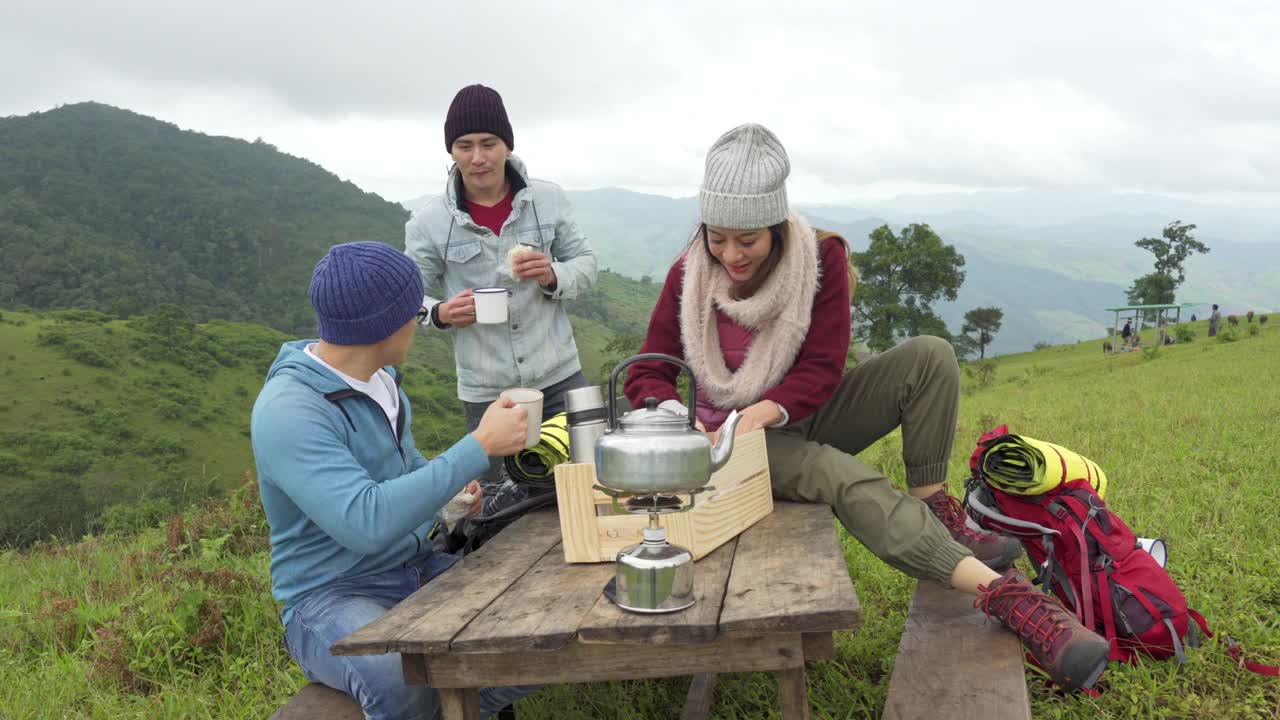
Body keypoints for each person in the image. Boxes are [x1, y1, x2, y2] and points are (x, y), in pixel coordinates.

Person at [624, 124, 1111, 692]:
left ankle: (936, 510)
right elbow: (649, 368)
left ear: (778, 225)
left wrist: (768, 409)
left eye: (747, 240)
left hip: (786, 415)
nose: (730, 254)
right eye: (718, 237)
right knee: (839, 474)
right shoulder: (689, 273)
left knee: (930, 357)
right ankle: (1011, 601)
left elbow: (821, 370)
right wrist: (673, 424)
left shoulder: (819, 261)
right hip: (722, 447)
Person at [251, 241, 537, 719]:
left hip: (413, 566)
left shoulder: (380, 380)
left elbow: (403, 472)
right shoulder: (289, 411)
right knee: (397, 674)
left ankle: (452, 708)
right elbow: (365, 522)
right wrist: (478, 447)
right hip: (329, 594)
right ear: (384, 324)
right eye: (412, 309)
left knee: (529, 630)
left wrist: (446, 493)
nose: (417, 319)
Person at [406, 84, 598, 547]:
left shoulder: (547, 200)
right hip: (487, 392)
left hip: (558, 377)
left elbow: (587, 265)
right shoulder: (430, 222)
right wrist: (442, 314)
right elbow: (407, 295)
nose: (478, 157)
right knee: (497, 510)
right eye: (465, 146)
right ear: (451, 151)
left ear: (507, 145)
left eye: (489, 143)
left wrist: (552, 274)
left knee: (582, 492)